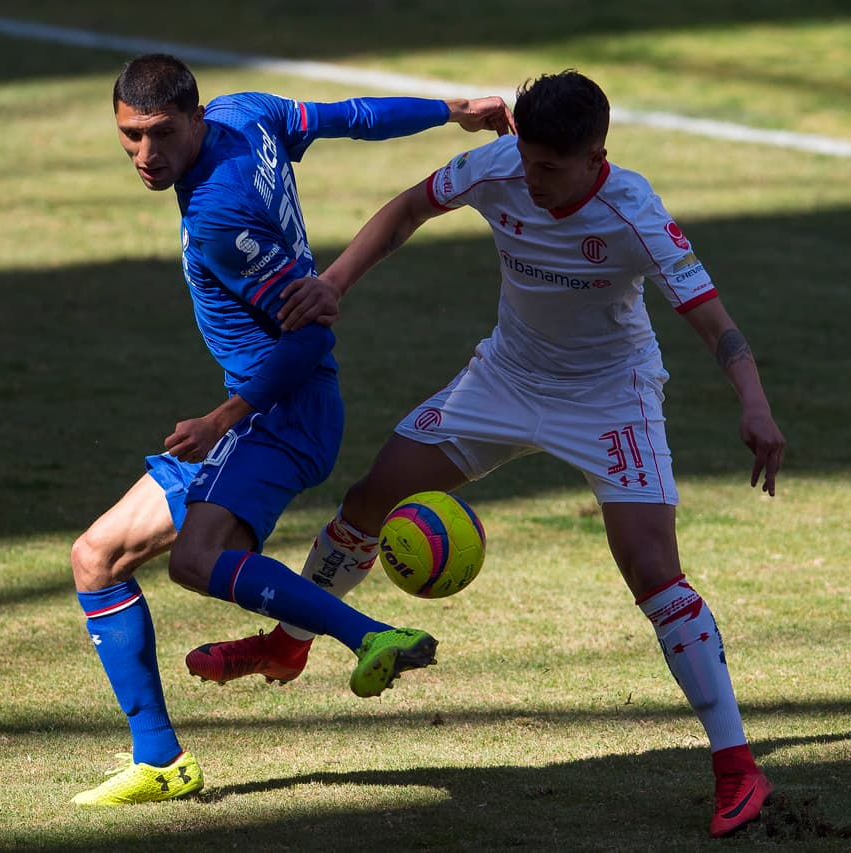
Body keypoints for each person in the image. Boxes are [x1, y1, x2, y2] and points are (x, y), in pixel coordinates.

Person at [194, 70, 786, 837]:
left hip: (610, 396)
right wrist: (334, 280)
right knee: (374, 493)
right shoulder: (499, 164)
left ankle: (738, 767)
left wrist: (756, 403)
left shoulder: (634, 212)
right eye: (527, 159)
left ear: (596, 155)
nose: (530, 178)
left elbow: (716, 322)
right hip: (505, 378)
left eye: (549, 168)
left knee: (652, 570)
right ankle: (288, 644)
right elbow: (408, 208)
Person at [69, 52, 515, 806]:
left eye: (161, 134)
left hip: (277, 411)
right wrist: (448, 109)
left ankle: (366, 633)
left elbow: (309, 337)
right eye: (130, 136)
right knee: (97, 557)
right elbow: (351, 117)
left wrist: (223, 418)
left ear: (194, 118)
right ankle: (162, 760)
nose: (146, 156)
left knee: (196, 559)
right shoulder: (248, 115)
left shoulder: (218, 214)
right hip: (275, 410)